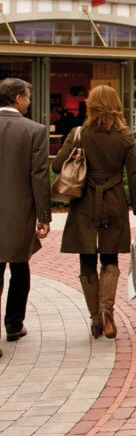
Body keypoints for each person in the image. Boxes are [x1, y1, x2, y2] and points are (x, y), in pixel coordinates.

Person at [53, 85, 136, 339]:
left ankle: (95, 318)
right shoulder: (125, 137)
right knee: (110, 258)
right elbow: (133, 177)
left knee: (86, 259)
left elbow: (57, 166)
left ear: (91, 105)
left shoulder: (79, 133)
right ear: (117, 106)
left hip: (84, 201)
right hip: (113, 201)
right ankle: (107, 311)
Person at [0, 78, 51, 353]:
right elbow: (39, 176)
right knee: (20, 268)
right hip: (20, 213)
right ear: (18, 98)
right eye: (28, 97)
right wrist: (44, 216)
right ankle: (14, 324)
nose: (29, 102)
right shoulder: (34, 130)